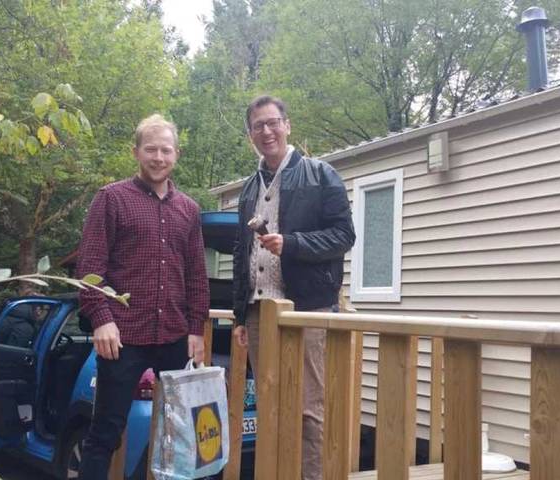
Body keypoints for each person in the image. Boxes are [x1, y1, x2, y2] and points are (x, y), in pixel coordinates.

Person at [75, 114, 210, 480]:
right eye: (151, 149)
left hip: (174, 336)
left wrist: (195, 329)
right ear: (136, 152)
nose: (158, 157)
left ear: (177, 154)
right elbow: (89, 269)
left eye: (166, 150)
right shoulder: (112, 198)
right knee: (105, 431)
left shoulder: (189, 210)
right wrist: (101, 319)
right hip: (123, 337)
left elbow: (197, 275)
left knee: (181, 432)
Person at [231, 95, 355, 480]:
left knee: (306, 407)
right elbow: (241, 255)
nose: (266, 132)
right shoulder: (250, 189)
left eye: (273, 123)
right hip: (258, 312)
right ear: (250, 133)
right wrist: (238, 315)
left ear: (288, 125)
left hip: (306, 309)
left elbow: (343, 235)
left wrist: (294, 244)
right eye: (258, 126)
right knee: (269, 404)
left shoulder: (320, 174)